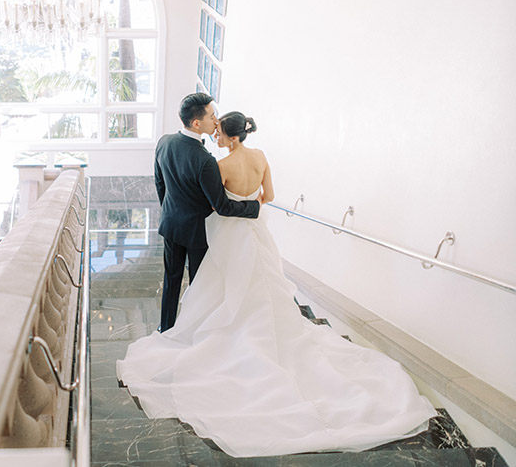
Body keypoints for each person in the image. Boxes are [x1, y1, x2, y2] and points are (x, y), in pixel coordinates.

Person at [117, 111, 436, 457]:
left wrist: (234, 207)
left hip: (231, 234)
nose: (216, 136)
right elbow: (267, 195)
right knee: (264, 284)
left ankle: (228, 336)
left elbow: (218, 207)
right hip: (257, 235)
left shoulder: (220, 167)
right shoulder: (261, 157)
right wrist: (252, 205)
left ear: (233, 138)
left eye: (221, 132)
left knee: (222, 287)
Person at [154, 93, 260, 333]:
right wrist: (254, 207)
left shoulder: (164, 142)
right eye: (212, 116)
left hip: (171, 225)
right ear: (196, 123)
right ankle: (194, 331)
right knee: (198, 285)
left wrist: (171, 211)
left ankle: (166, 327)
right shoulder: (205, 160)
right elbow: (222, 206)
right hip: (197, 234)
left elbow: (160, 184)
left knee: (171, 280)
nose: (216, 121)